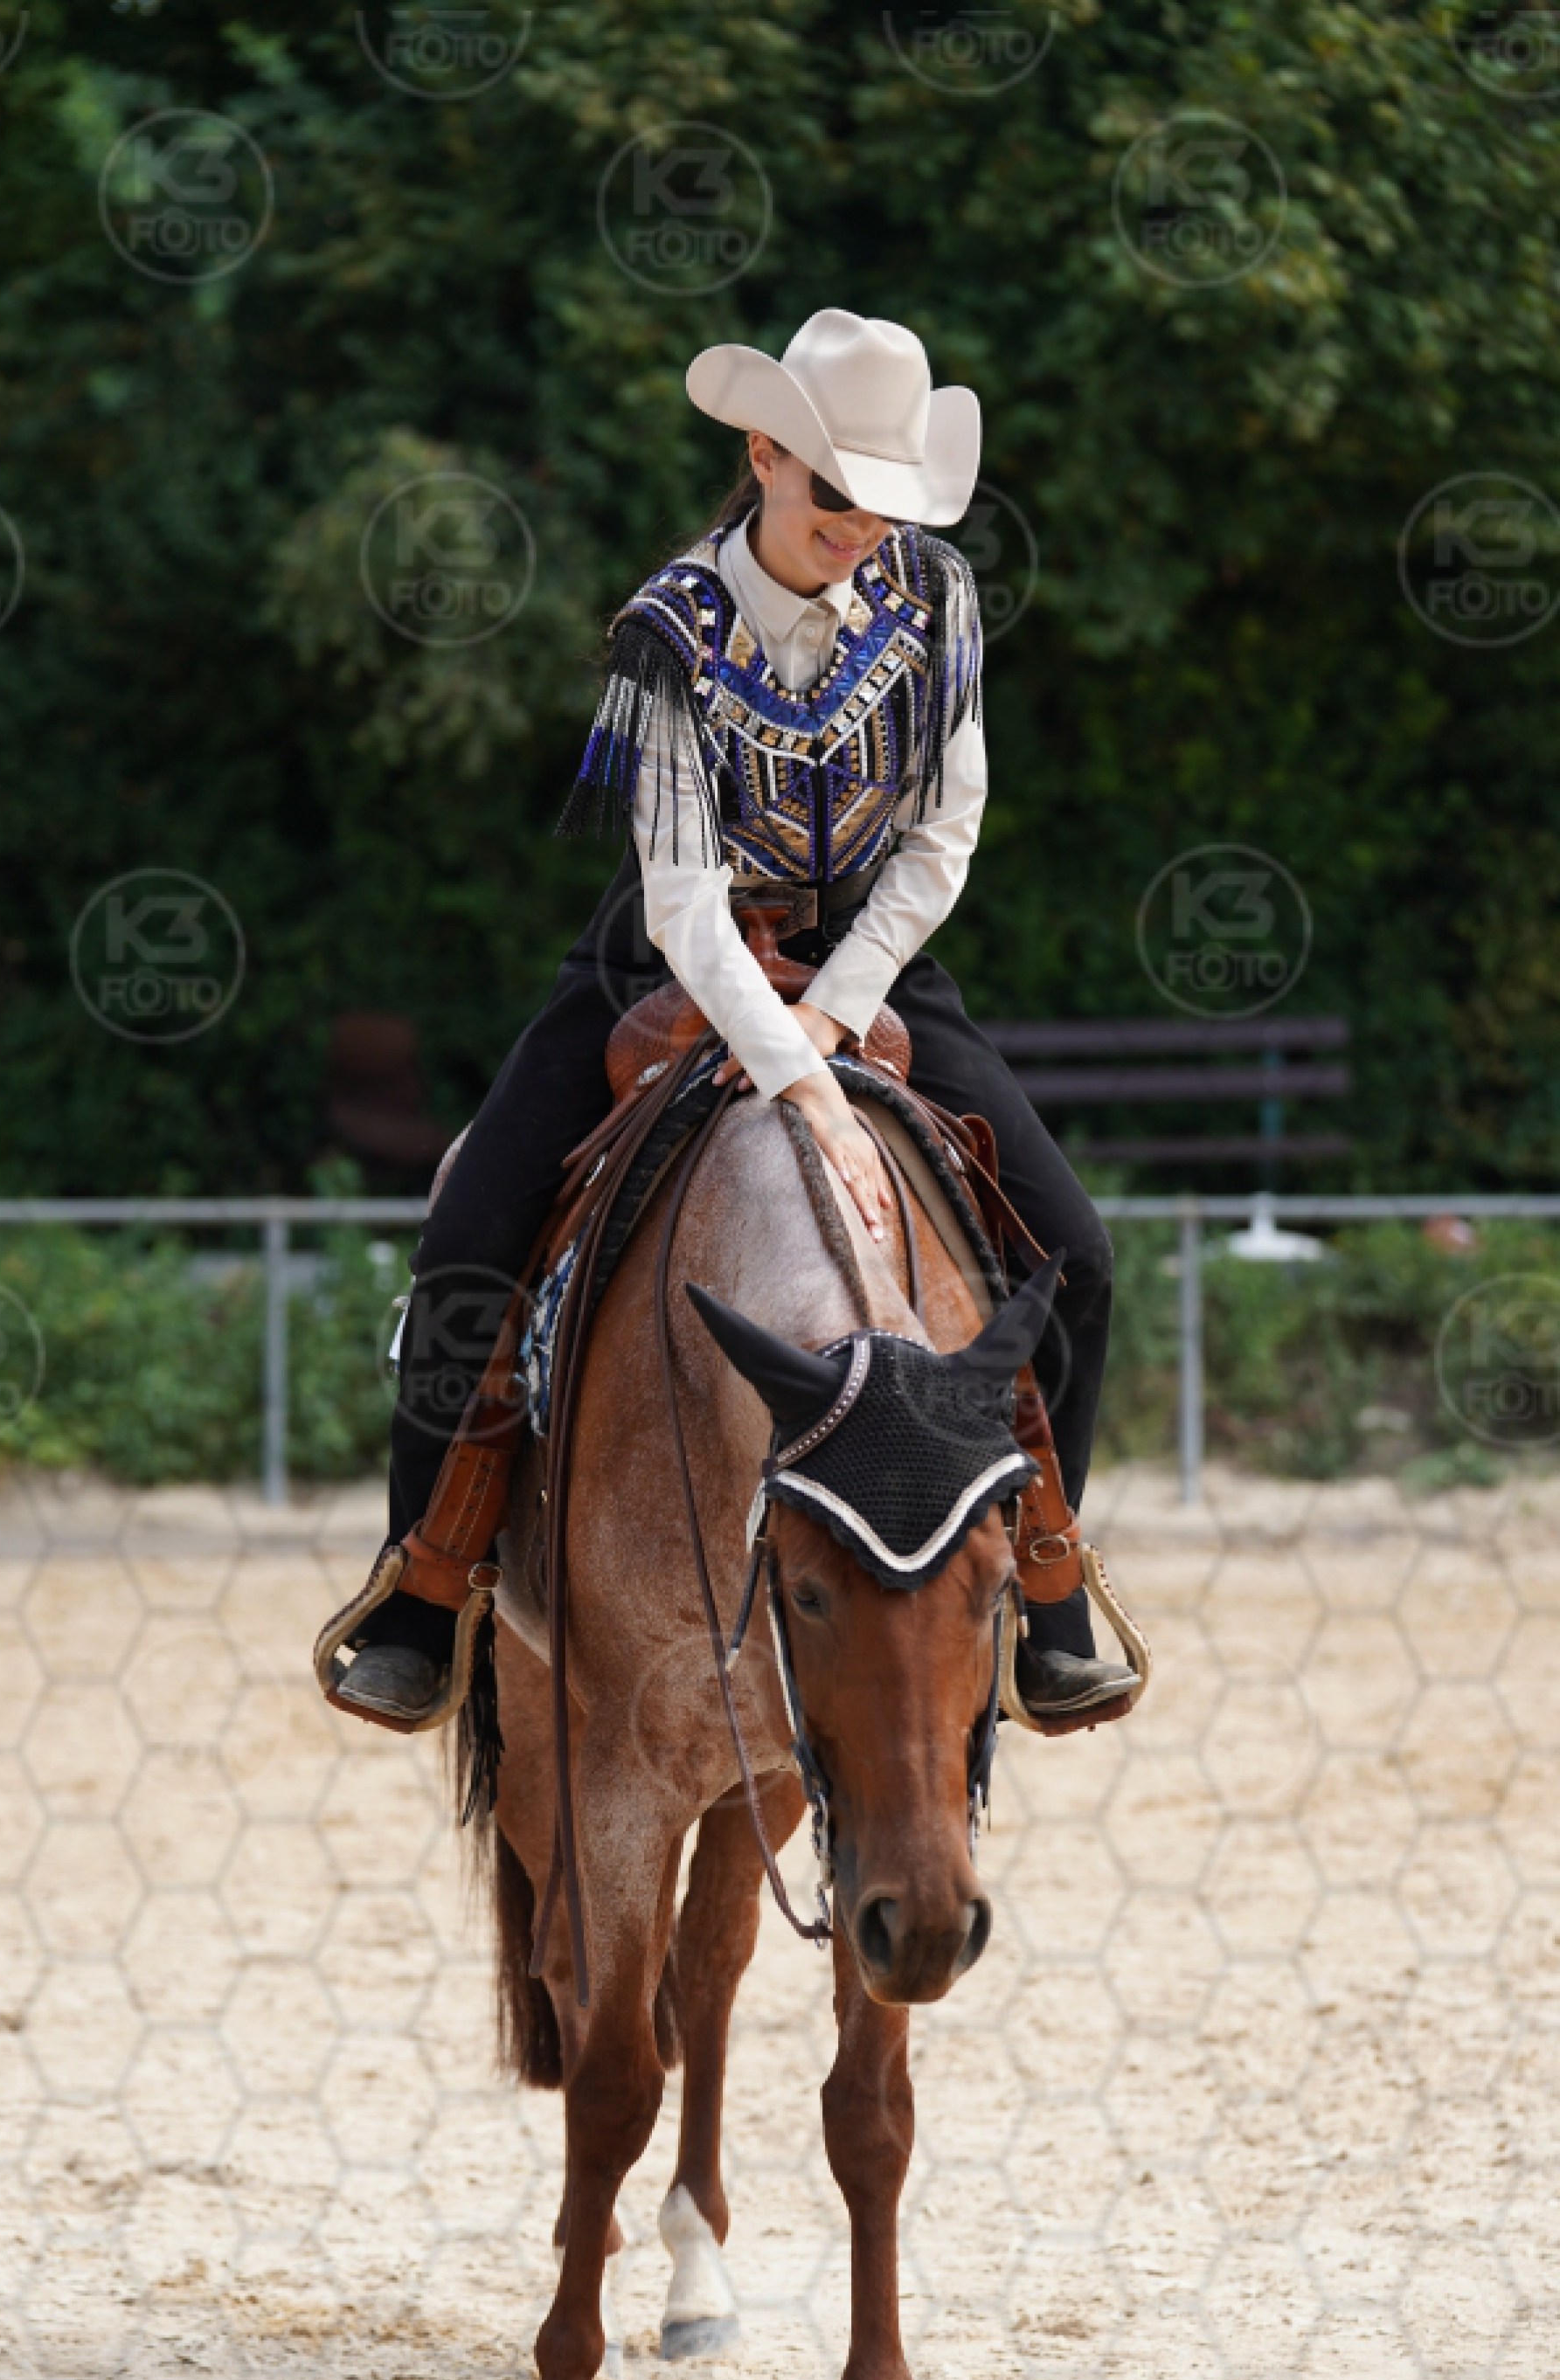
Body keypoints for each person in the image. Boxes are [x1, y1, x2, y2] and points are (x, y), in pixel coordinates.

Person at [341, 309, 1132, 1724]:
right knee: (468, 1238)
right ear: (764, 454)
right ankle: (426, 1582)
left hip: (870, 958)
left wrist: (837, 1016)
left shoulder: (940, 597)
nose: (861, 528)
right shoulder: (665, 634)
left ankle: (1045, 1581)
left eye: (887, 501)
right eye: (835, 492)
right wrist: (799, 1077)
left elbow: (943, 839)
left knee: (1077, 1255)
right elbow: (682, 900)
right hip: (668, 964)